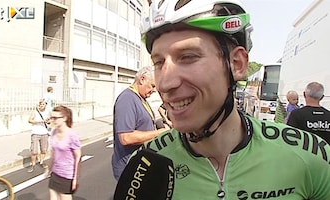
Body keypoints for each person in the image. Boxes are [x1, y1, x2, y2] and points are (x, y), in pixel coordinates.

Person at [115, 0, 330, 199]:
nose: (165, 83)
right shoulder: (145, 166)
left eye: (188, 57)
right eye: (159, 62)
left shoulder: (311, 156)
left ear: (236, 64)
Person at [111, 66, 168, 180]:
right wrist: (160, 133)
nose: (154, 90)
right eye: (152, 86)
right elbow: (125, 137)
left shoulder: (140, 99)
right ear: (142, 79)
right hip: (131, 168)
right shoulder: (127, 99)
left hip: (142, 166)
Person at [47, 105, 82, 200]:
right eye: (51, 117)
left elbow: (78, 157)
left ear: (64, 118)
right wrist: (49, 169)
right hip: (55, 172)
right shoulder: (54, 132)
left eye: (55, 118)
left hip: (67, 175)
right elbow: (53, 153)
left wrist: (76, 178)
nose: (53, 120)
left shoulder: (72, 136)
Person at [27, 98, 51, 172]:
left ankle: (41, 162)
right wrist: (38, 121)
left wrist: (48, 121)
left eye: (43, 104)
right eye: (40, 104)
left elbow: (50, 121)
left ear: (45, 105)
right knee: (34, 151)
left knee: (43, 150)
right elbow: (29, 120)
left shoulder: (48, 112)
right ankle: (33, 164)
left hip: (44, 133)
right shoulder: (35, 112)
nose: (41, 106)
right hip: (35, 133)